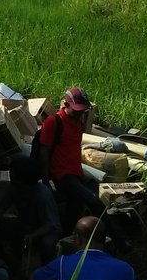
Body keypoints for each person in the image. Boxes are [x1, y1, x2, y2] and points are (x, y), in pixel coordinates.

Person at [39, 86, 107, 224]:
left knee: (76, 209)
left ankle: (69, 237)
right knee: (96, 204)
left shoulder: (78, 122)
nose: (80, 114)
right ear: (65, 105)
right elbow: (44, 151)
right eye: (77, 111)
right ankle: (120, 241)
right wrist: (46, 181)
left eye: (82, 111)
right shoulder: (54, 122)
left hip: (77, 173)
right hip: (63, 176)